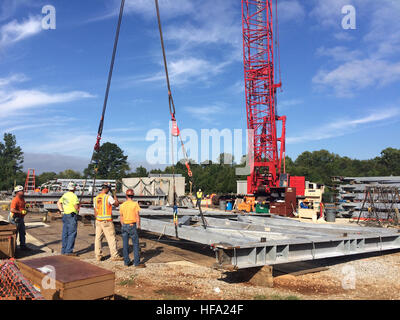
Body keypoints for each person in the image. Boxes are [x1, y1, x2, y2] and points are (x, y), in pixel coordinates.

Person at [94, 183, 123, 262]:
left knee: (98, 239)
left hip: (98, 220)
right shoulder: (108, 197)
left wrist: (97, 219)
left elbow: (95, 210)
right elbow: (116, 204)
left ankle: (98, 255)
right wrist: (114, 195)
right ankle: (114, 255)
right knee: (111, 238)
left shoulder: (96, 198)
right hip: (106, 221)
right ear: (107, 189)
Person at [119, 189, 146, 268]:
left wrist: (123, 225)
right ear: (133, 196)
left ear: (126, 196)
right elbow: (137, 215)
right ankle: (137, 263)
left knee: (125, 244)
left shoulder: (122, 205)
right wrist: (139, 225)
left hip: (124, 225)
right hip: (132, 225)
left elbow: (121, 217)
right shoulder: (135, 204)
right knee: (135, 244)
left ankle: (126, 262)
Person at [57, 182, 80, 256]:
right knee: (72, 233)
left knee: (65, 233)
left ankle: (64, 250)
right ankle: (69, 251)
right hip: (72, 215)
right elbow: (76, 207)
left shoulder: (65, 195)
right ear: (74, 188)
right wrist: (78, 209)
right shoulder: (74, 196)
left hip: (65, 215)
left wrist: (62, 211)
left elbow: (58, 203)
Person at [9, 185, 29, 250]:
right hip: (15, 219)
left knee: (22, 232)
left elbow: (23, 207)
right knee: (15, 233)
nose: (23, 192)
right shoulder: (15, 200)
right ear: (17, 192)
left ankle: (23, 246)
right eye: (21, 191)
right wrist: (20, 212)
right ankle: (14, 248)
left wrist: (25, 210)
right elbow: (12, 209)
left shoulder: (22, 199)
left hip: (20, 218)